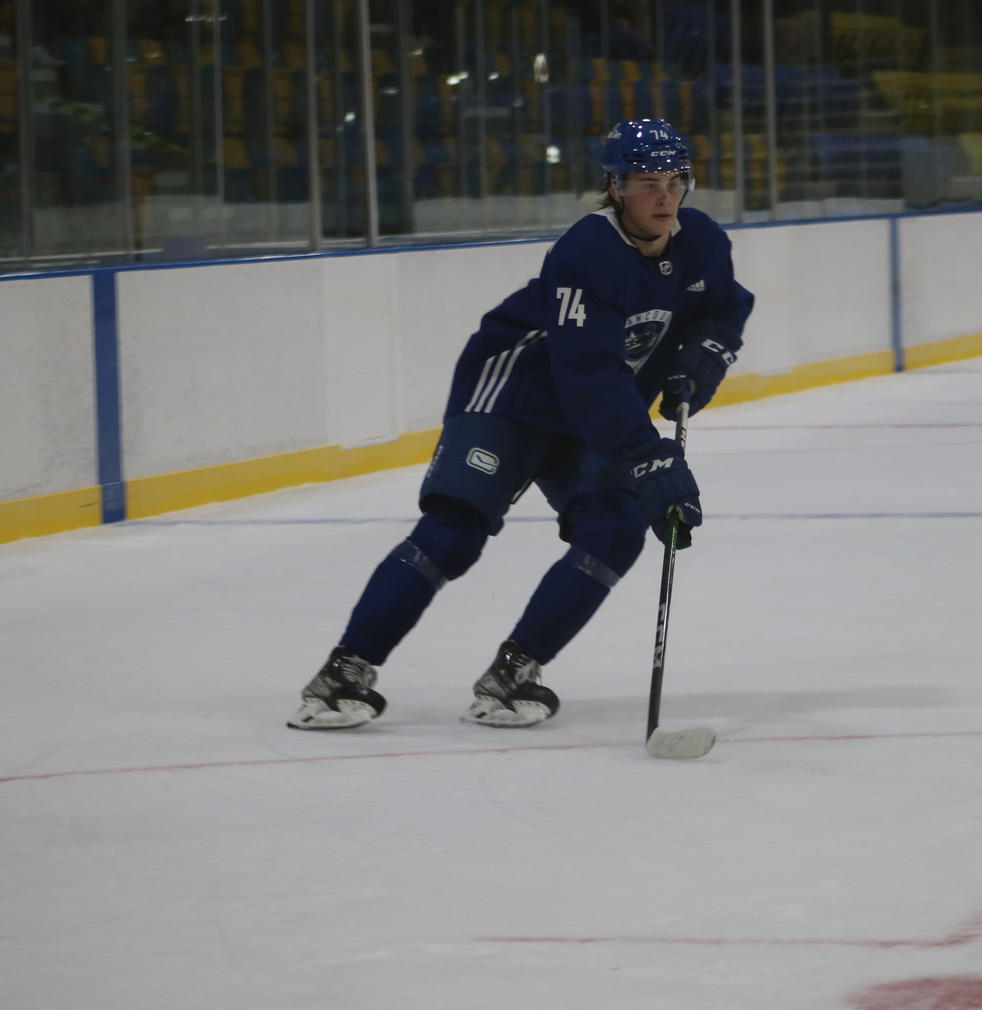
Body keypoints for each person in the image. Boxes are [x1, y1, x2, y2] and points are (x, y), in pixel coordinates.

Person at [288, 117, 754, 731]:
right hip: (515, 392)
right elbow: (588, 372)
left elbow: (725, 306)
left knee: (615, 531)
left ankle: (514, 672)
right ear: (616, 187)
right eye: (647, 183)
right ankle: (342, 673)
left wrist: (707, 354)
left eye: (674, 181)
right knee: (455, 530)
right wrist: (647, 453)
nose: (665, 197)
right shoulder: (588, 251)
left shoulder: (702, 241)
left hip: (590, 407)